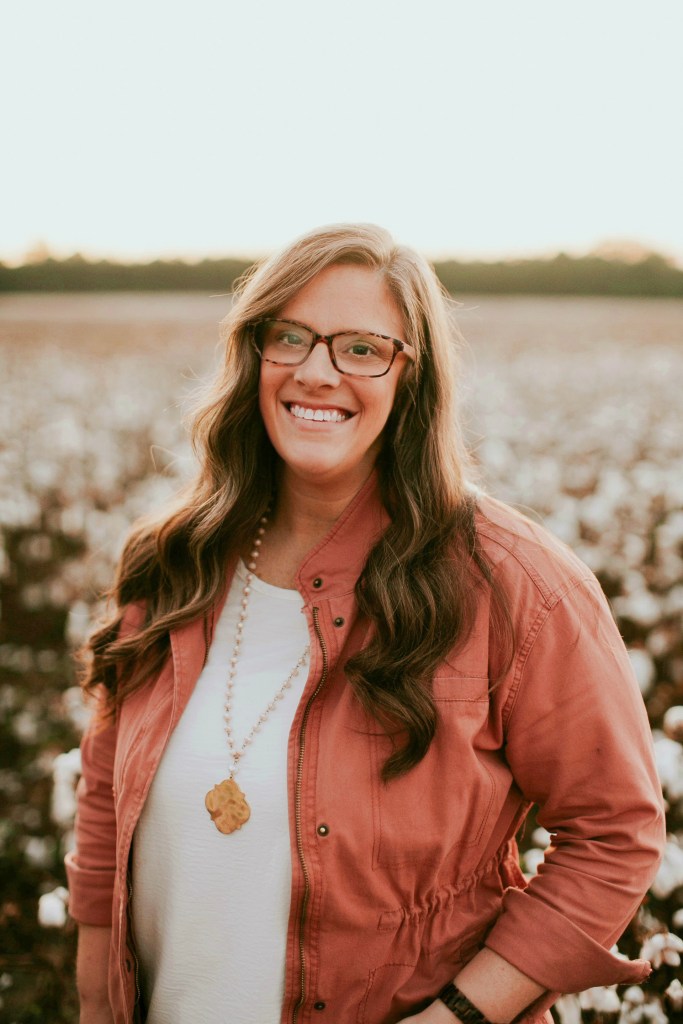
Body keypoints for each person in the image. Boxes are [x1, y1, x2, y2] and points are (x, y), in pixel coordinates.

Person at [66, 223, 665, 1024]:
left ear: (412, 377)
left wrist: (456, 1016)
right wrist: (96, 1002)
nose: (317, 372)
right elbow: (107, 803)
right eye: (290, 337)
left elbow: (615, 831)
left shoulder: (516, 584)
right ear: (252, 355)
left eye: (361, 349)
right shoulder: (175, 561)